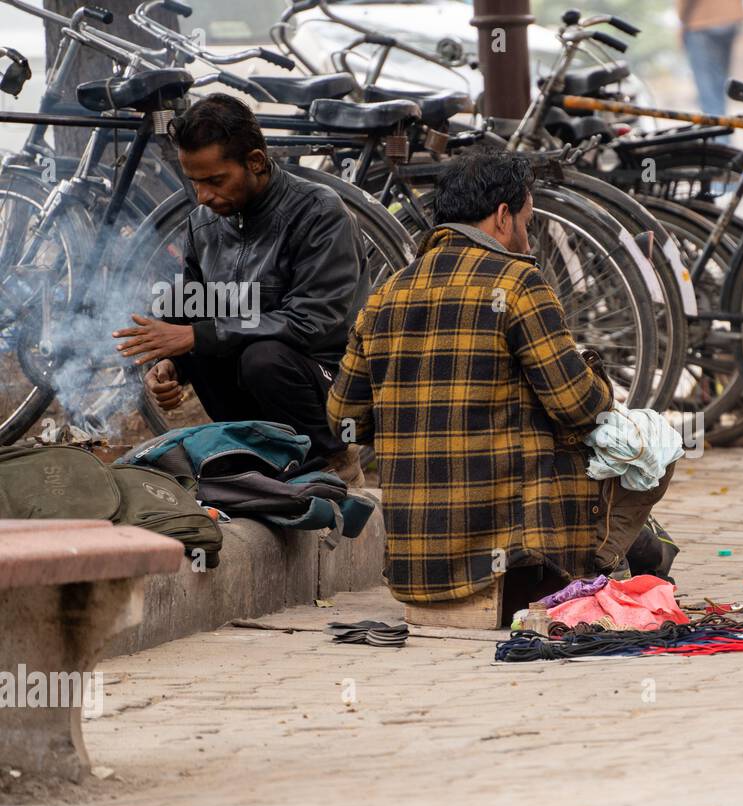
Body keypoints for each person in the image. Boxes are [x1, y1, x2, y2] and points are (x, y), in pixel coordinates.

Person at [327, 151, 674, 607]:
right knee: (656, 441)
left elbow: (344, 418)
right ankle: (600, 565)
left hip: (415, 572)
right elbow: (580, 406)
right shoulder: (518, 284)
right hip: (521, 571)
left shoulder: (386, 295)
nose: (527, 236)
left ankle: (635, 551)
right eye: (527, 221)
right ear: (503, 216)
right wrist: (595, 377)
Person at [113, 94, 367, 486]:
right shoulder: (203, 223)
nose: (203, 196)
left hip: (328, 376)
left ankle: (334, 459)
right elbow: (196, 307)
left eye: (215, 181)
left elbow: (311, 323)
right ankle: (256, 455)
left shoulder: (319, 212)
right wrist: (170, 366)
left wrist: (195, 335)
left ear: (256, 162)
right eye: (194, 181)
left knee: (262, 357)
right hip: (258, 370)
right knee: (203, 347)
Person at [677, 0, 743, 117]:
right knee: (720, 84)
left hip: (701, 21)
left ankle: (719, 133)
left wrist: (681, 20)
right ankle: (724, 129)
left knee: (710, 92)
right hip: (730, 16)